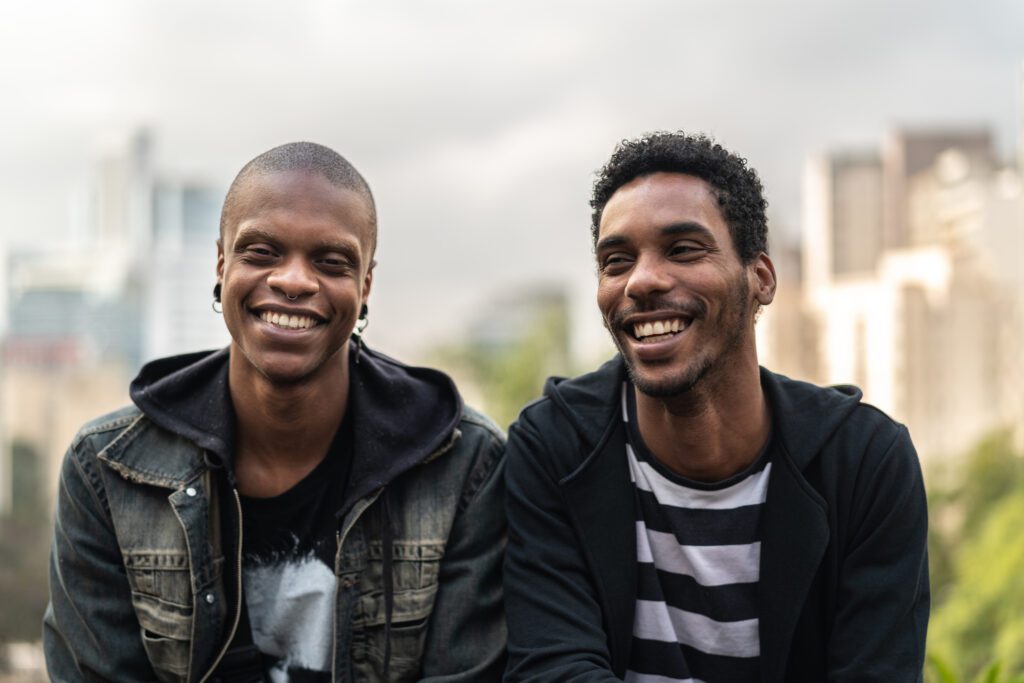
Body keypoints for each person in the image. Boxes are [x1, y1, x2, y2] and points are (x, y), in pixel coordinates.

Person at [44, 142, 507, 682]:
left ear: (366, 286)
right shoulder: (107, 470)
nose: (293, 281)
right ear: (222, 263)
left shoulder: (462, 466)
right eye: (262, 252)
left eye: (331, 262)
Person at [503, 132, 929, 682]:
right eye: (616, 261)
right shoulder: (555, 447)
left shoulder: (864, 462)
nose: (643, 280)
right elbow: (551, 670)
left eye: (682, 249)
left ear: (761, 278)